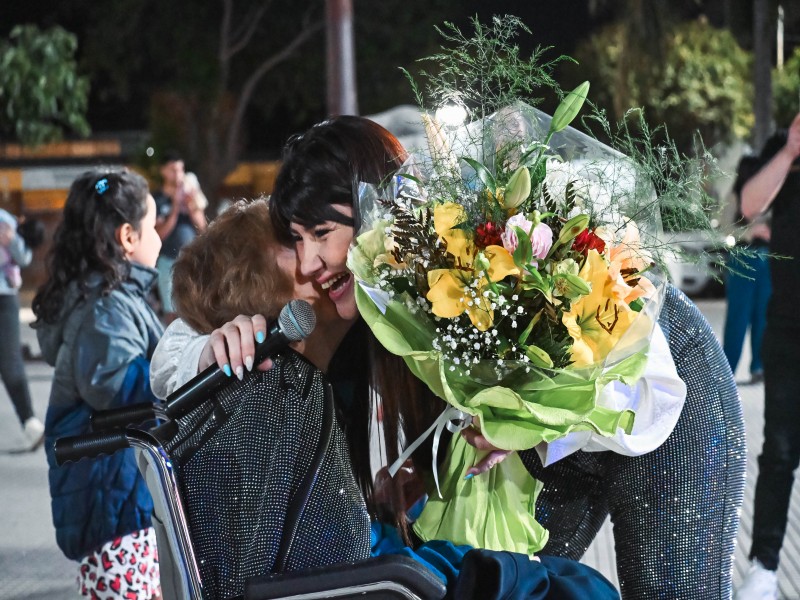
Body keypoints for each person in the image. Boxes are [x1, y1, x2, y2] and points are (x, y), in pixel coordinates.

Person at [153, 118, 620, 600]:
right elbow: (177, 344)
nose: (312, 260)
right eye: (295, 242)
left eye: (317, 233)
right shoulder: (278, 383)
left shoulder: (428, 275)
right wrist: (205, 348)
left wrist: (524, 424)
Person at [32, 168, 164, 600]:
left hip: (115, 503)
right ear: (128, 237)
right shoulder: (105, 309)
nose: (160, 236)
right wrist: (181, 366)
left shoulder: (110, 300)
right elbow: (117, 385)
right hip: (117, 508)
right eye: (152, 223)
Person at [735, 112, 800, 600]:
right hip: (789, 325)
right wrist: (791, 150)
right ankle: (763, 567)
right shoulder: (784, 148)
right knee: (778, 452)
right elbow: (749, 205)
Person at [722, 154, 771, 385]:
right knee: (738, 317)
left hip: (767, 257)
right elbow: (725, 229)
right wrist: (752, 232)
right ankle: (726, 370)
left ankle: (759, 367)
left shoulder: (771, 194)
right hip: (742, 256)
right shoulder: (735, 196)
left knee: (764, 315)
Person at [0, 207, 44, 451]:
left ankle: (30, 424)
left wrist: (12, 240)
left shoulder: (4, 219)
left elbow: (25, 258)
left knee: (10, 362)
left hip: (4, 298)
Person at [153, 150, 207, 323]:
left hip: (191, 261)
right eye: (172, 169)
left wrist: (192, 207)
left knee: (195, 308)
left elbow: (203, 229)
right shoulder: (158, 199)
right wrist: (175, 207)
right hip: (168, 260)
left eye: (180, 169)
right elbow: (160, 234)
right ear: (163, 171)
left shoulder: (190, 195)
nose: (178, 174)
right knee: (171, 312)